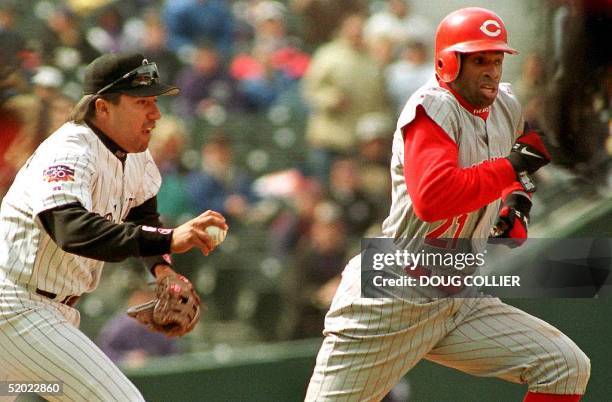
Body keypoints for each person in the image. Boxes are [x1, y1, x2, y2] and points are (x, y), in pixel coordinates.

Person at [305, 8, 590, 402]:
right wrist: (511, 170)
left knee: (565, 366)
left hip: (460, 293)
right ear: (448, 61)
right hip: (396, 291)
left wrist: (516, 204)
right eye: (479, 60)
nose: (492, 70)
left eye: (497, 59)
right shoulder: (432, 108)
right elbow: (433, 199)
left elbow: (529, 153)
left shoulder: (505, 104)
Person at [0, 52, 228, 401]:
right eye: (142, 102)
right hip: (18, 306)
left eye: (155, 101)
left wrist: (162, 271)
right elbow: (70, 228)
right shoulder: (70, 151)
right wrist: (171, 238)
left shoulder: (133, 152)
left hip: (47, 312)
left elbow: (143, 214)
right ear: (103, 107)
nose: (156, 113)